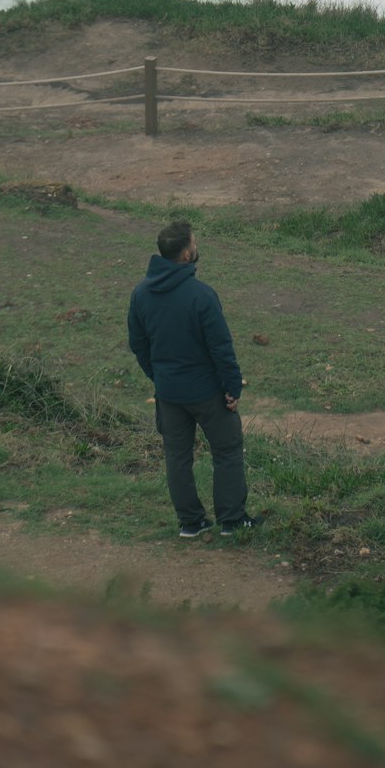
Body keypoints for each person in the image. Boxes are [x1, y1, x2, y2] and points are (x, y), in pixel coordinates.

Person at [127, 220, 259, 537]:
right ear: (186, 254)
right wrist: (231, 386)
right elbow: (221, 348)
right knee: (226, 452)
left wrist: (158, 376)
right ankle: (231, 519)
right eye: (194, 243)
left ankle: (190, 522)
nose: (196, 248)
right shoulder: (202, 296)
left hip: (169, 393)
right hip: (207, 392)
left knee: (177, 457)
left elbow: (138, 344)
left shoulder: (141, 294)